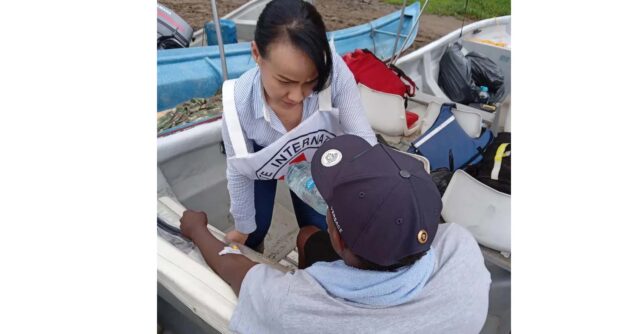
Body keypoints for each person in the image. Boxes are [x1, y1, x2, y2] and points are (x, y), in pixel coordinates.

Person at [180, 135, 491, 333]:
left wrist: (196, 229)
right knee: (307, 236)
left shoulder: (295, 309)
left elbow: (235, 269)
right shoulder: (462, 251)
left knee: (306, 239)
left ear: (339, 240)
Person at [220, 0, 377, 250]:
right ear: (256, 54)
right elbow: (238, 171)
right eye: (285, 81)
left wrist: (374, 193)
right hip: (263, 160)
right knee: (254, 228)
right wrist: (241, 228)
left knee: (319, 226)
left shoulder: (335, 73)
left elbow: (362, 138)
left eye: (310, 82)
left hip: (317, 160)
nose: (297, 96)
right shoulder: (238, 103)